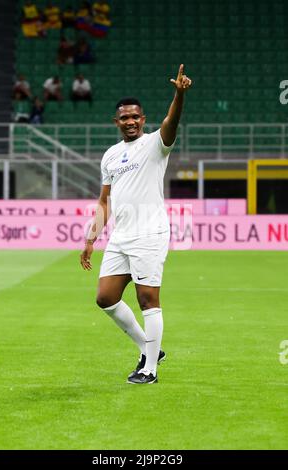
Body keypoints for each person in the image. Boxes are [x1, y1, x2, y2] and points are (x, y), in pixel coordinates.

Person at [80, 64, 192, 384]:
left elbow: (172, 122)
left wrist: (179, 95)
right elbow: (104, 201)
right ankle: (149, 347)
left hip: (150, 232)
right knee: (105, 298)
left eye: (135, 117)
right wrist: (91, 239)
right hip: (121, 236)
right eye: (124, 117)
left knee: (147, 299)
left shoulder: (156, 143)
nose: (130, 121)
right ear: (116, 122)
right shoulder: (111, 156)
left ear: (143, 120)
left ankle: (149, 369)